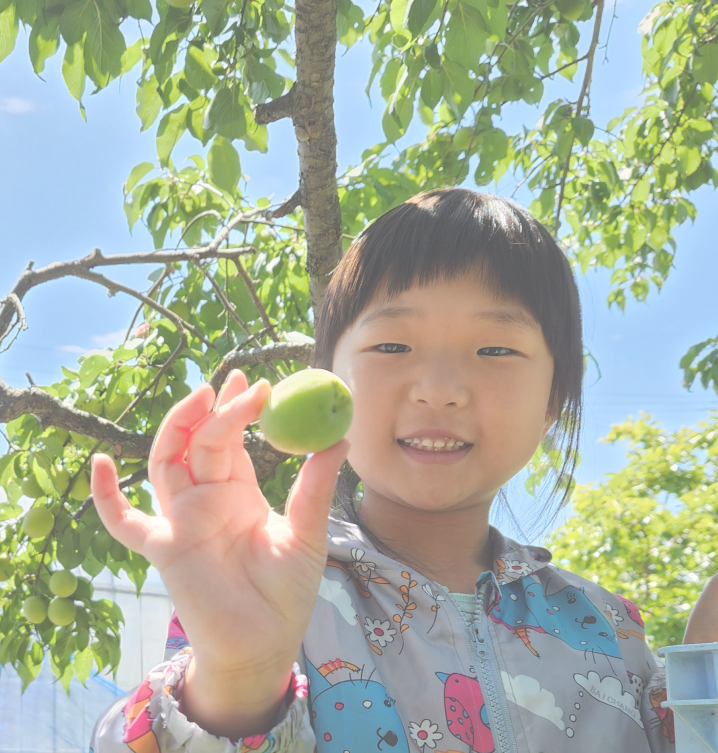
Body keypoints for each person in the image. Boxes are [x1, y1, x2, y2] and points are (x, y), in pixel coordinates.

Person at [87, 189, 711, 753]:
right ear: (329, 375)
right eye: (392, 346)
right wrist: (241, 678)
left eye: (496, 349)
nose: (439, 390)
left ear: (554, 399)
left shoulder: (611, 631)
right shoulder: (271, 591)